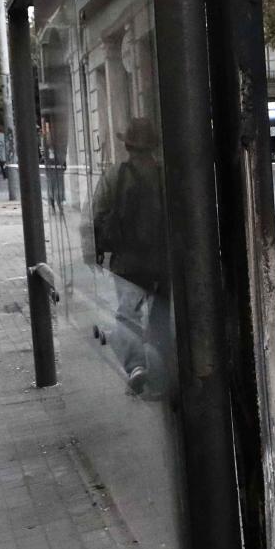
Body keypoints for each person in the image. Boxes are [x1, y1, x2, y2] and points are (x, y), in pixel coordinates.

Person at [92, 118, 169, 396]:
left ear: (127, 145)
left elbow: (97, 214)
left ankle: (136, 366)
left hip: (127, 260)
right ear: (153, 146)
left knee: (127, 316)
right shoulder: (165, 173)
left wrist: (98, 253)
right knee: (161, 318)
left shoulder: (115, 175)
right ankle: (161, 375)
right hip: (163, 260)